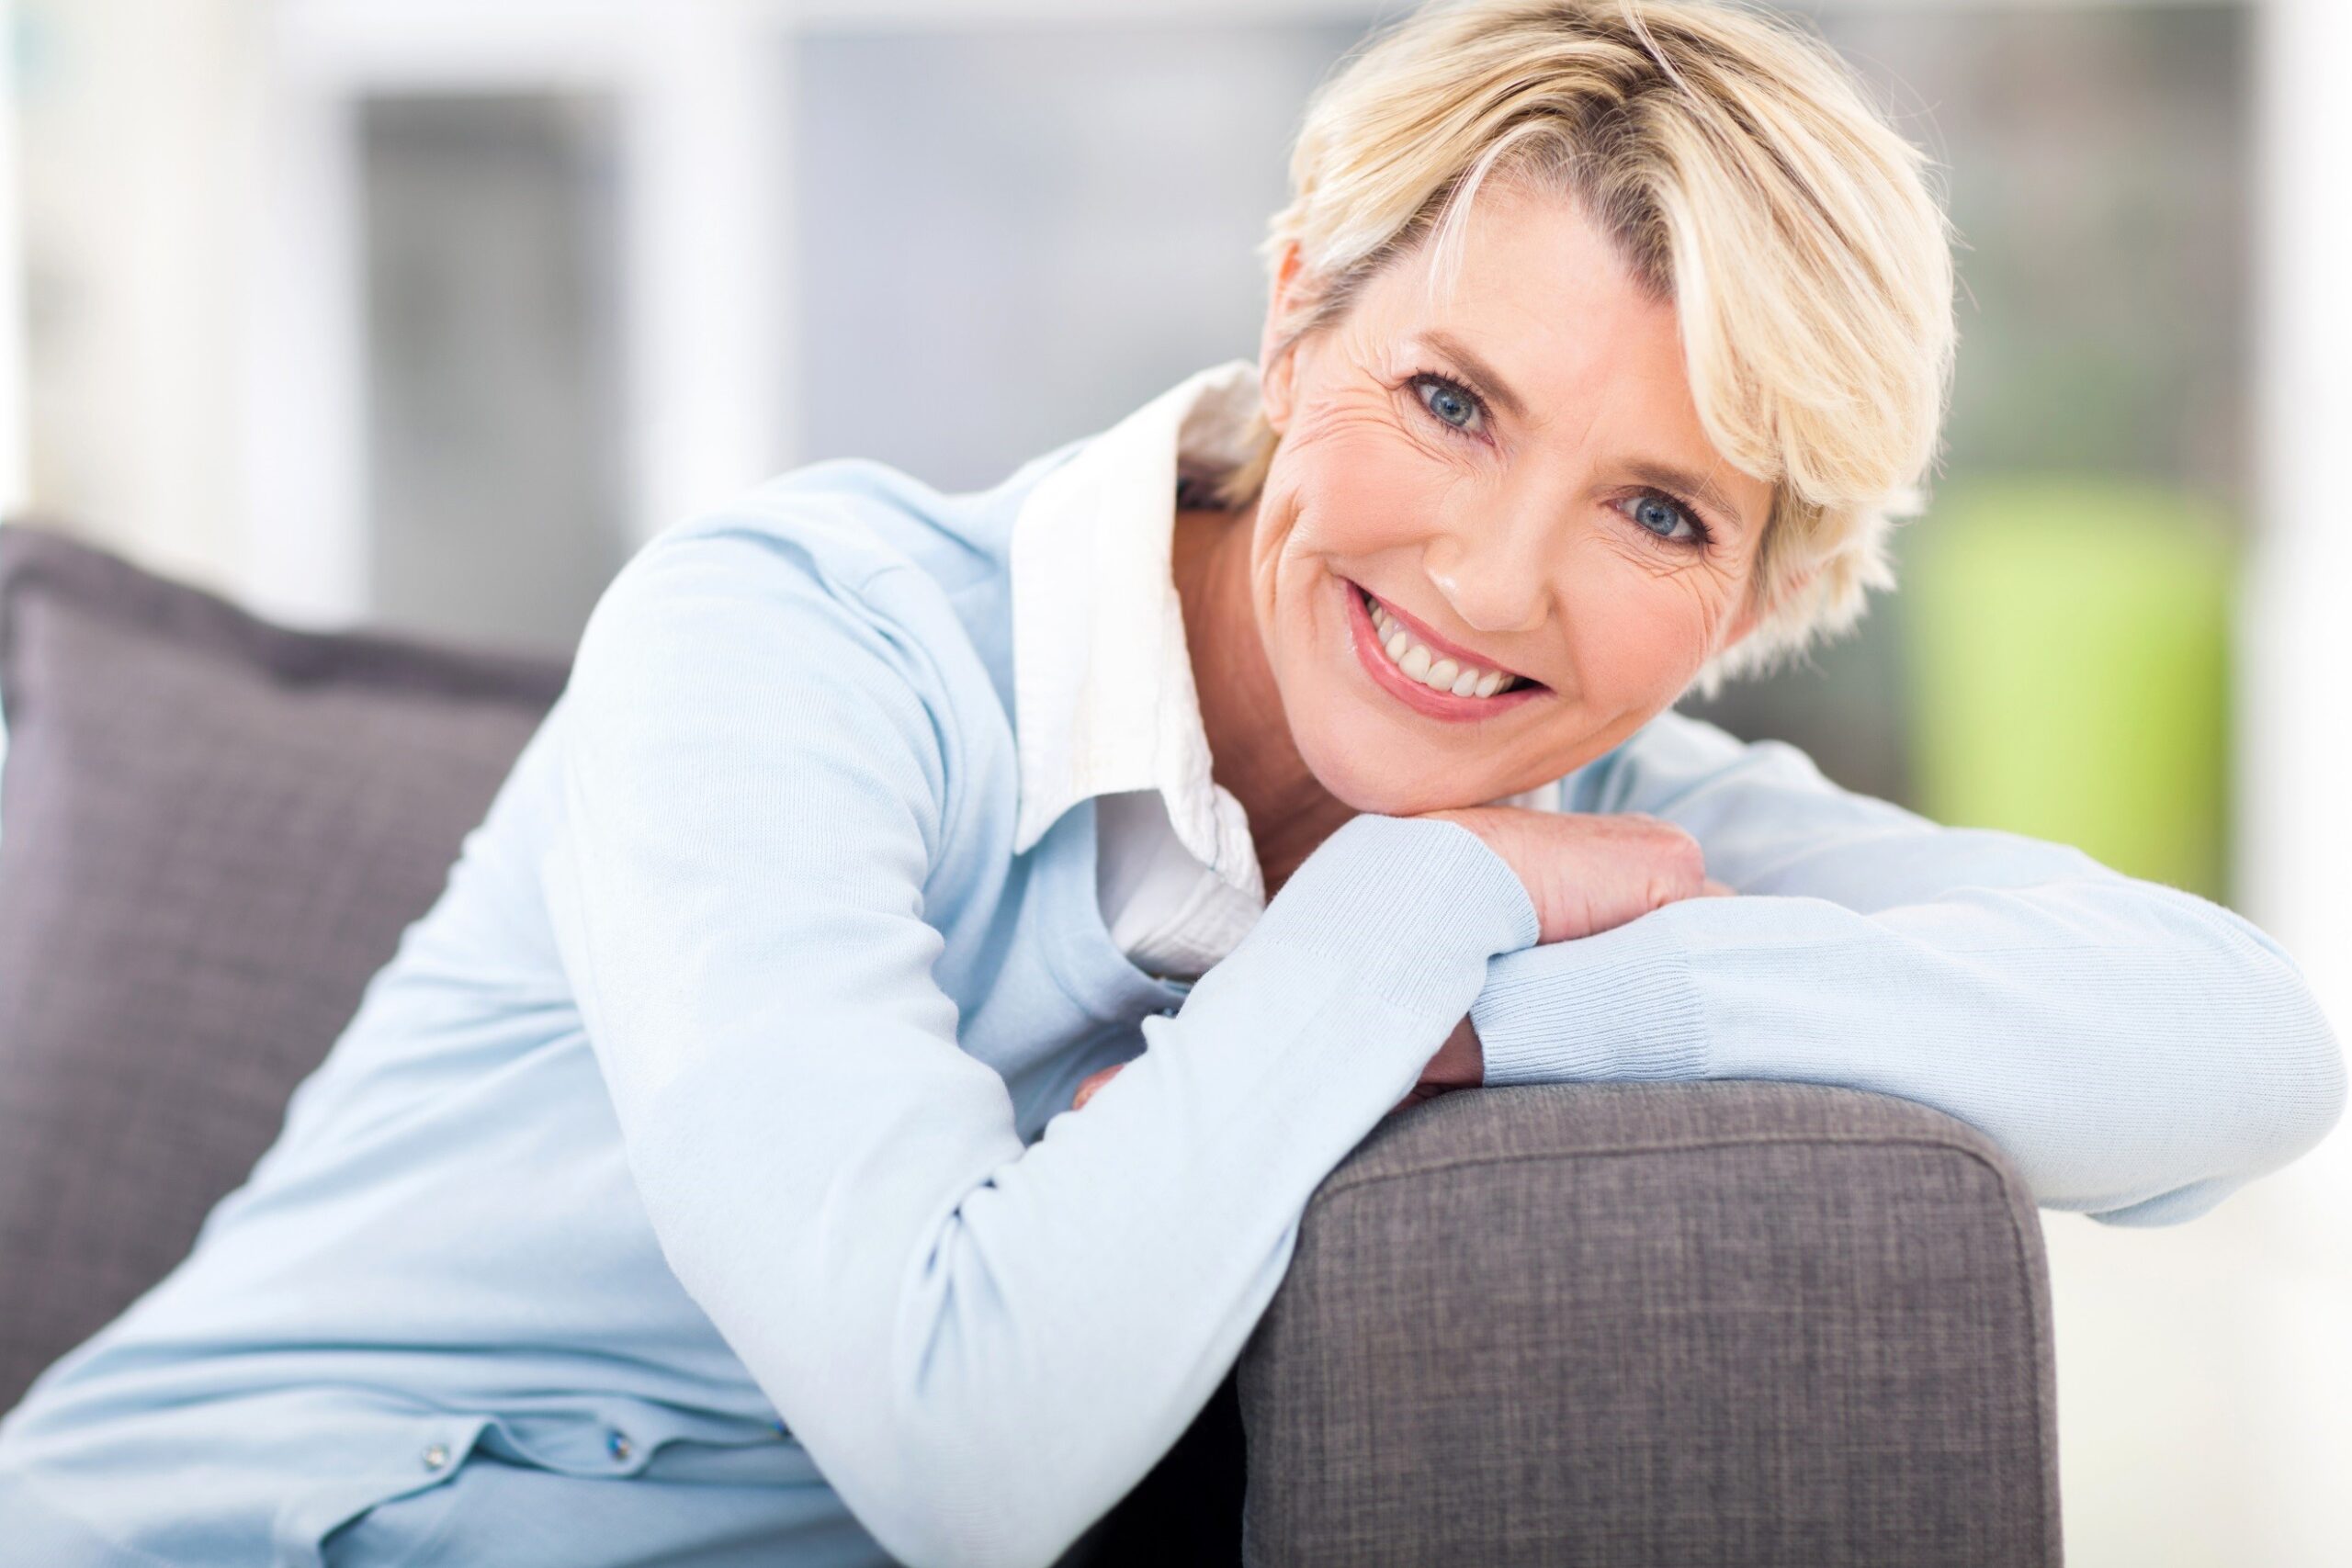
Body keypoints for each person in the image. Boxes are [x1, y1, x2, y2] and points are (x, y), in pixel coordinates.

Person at [1, 1, 2341, 1564]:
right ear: (1295, 303)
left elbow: (2234, 1046)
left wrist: (1495, 1005)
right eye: (1445, 397)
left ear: (1754, 591)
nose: (1496, 580)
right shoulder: (797, 632)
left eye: (1661, 512)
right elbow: (964, 1442)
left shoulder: (1594, 827)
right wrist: (1402, 923)